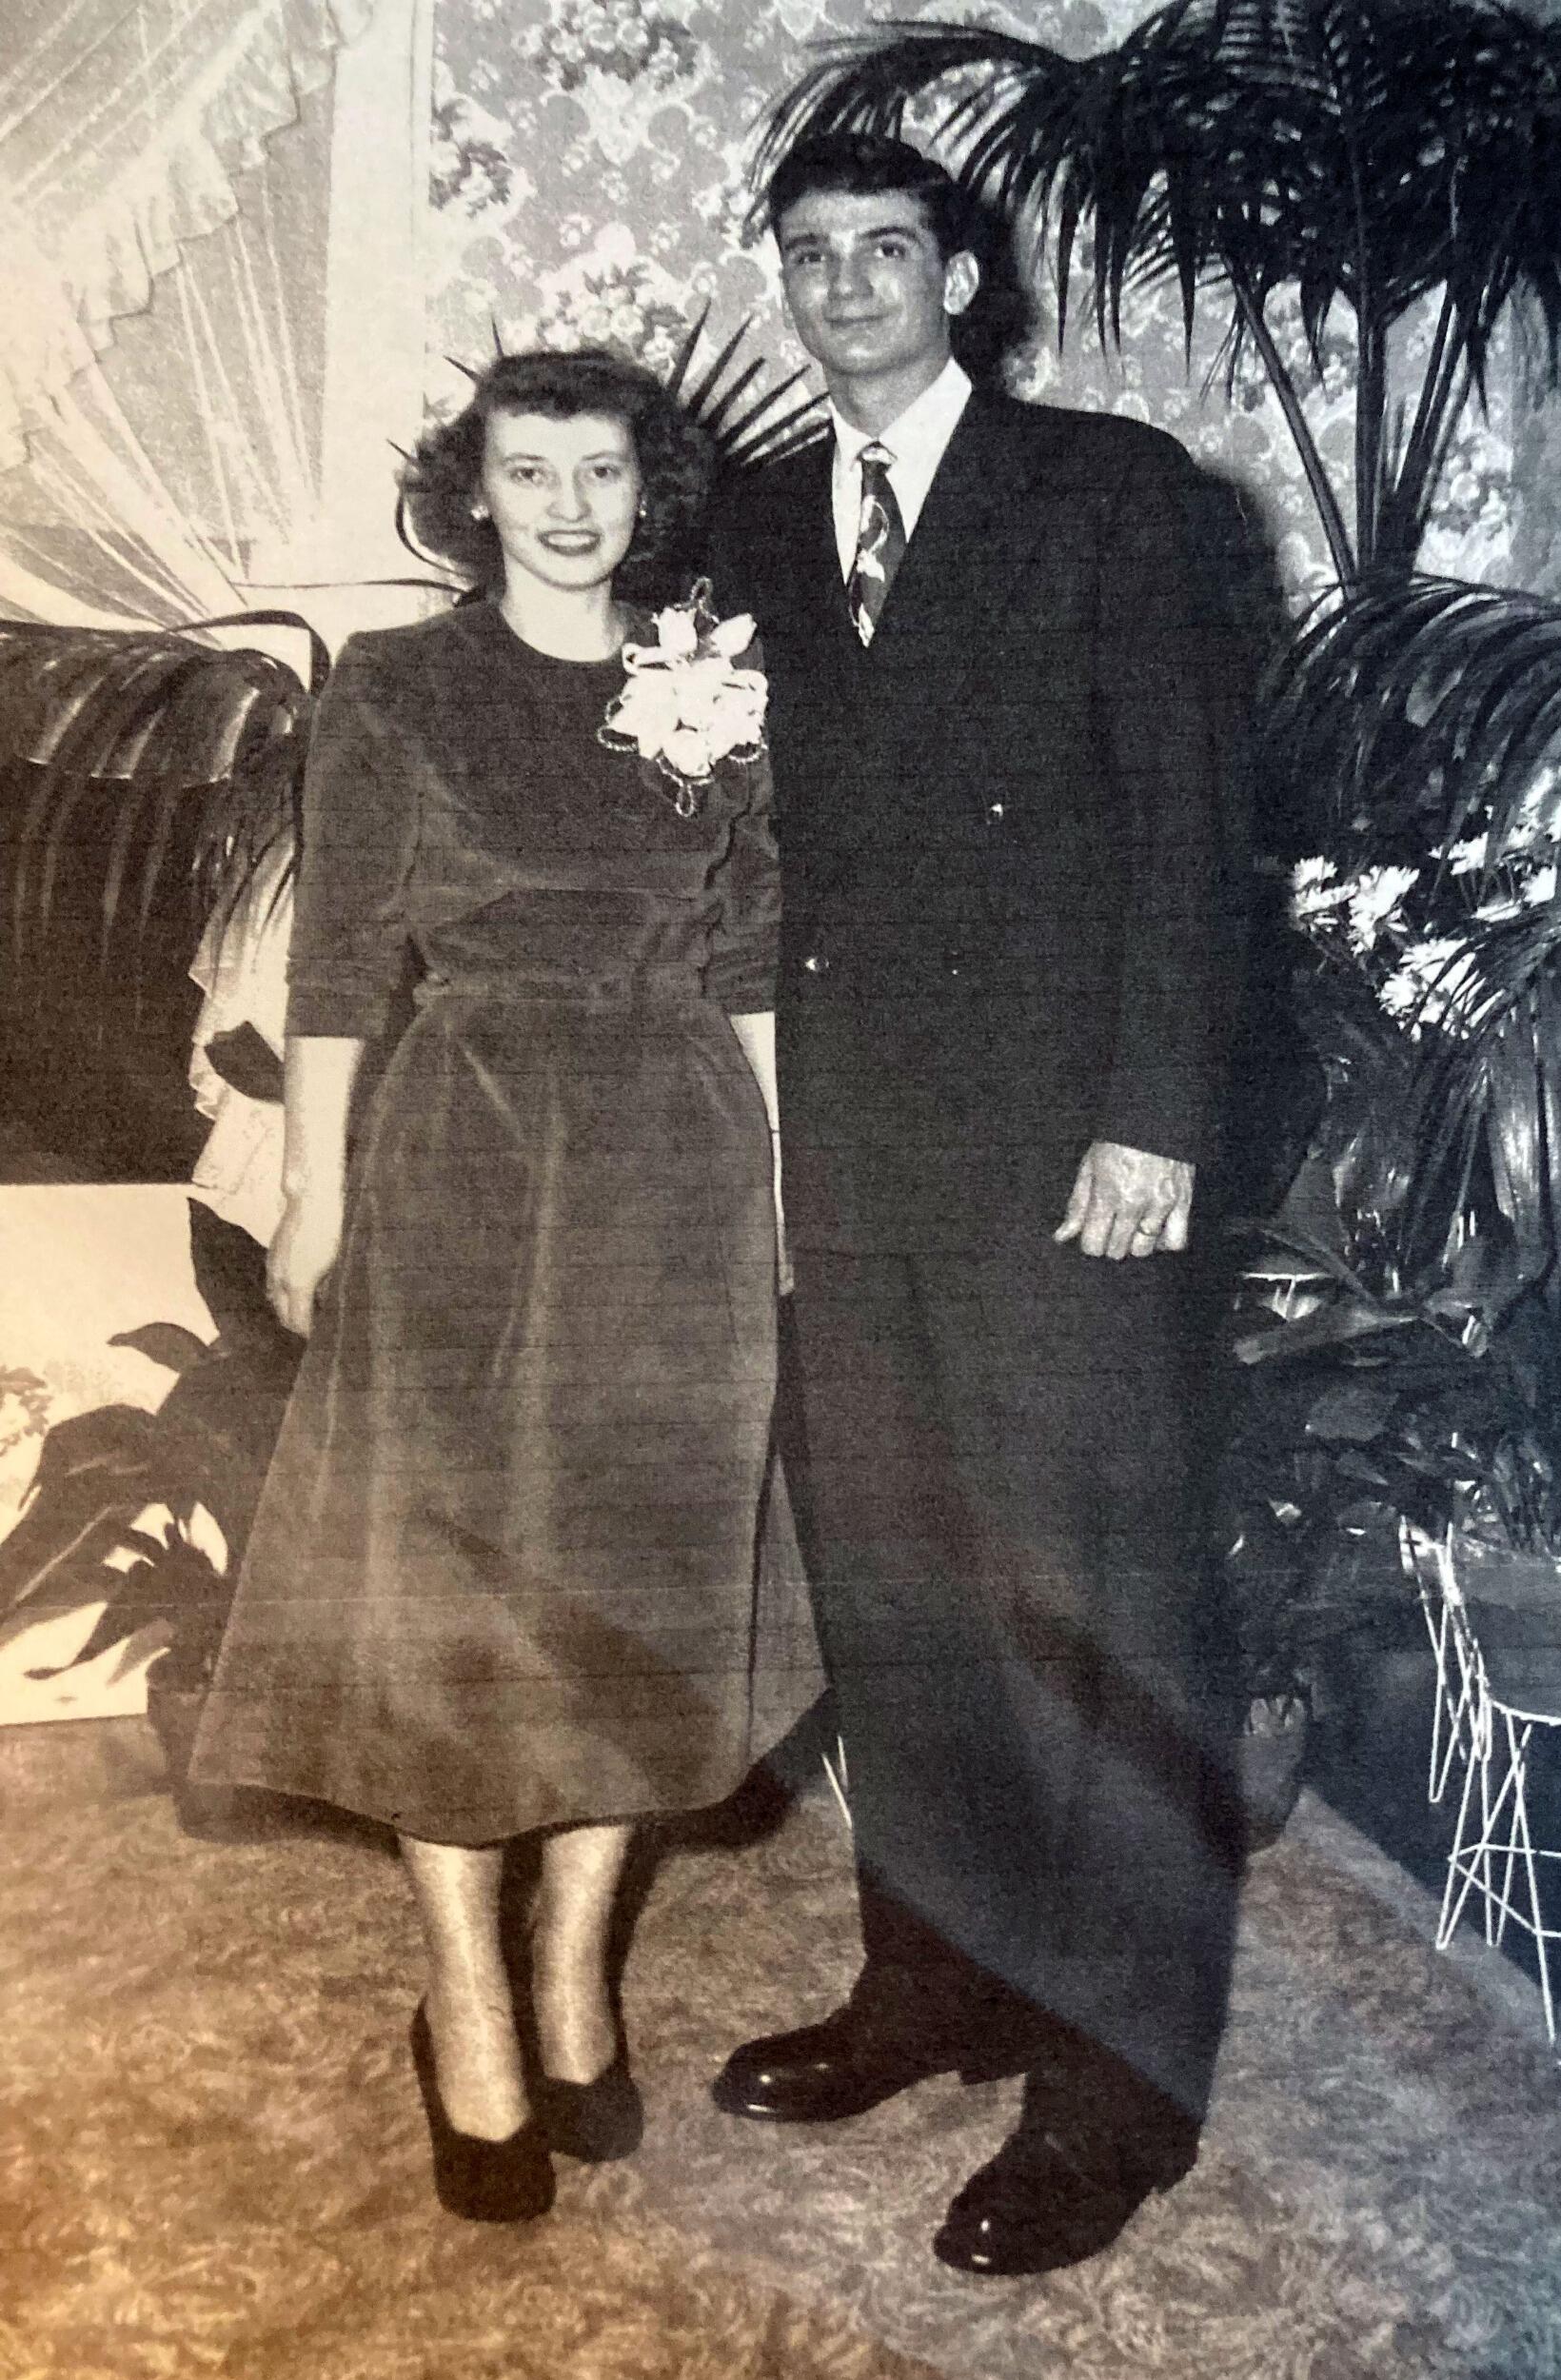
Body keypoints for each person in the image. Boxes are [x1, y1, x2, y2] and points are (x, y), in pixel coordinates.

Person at [188, 347, 816, 2223]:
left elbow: (756, 958)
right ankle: (466, 1982)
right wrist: (311, 1199)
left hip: (674, 1160)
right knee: (443, 1590)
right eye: (526, 468)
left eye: (598, 470)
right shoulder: (394, 685)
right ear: (474, 490)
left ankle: (573, 1963)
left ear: (647, 491)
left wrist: (773, 1194)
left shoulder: (714, 682)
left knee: (637, 1574)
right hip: (455, 1152)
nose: (563, 503)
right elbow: (338, 965)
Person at [704, 132, 1251, 2276]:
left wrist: (1153, 1118)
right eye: (810, 258)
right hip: (838, 1151)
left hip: (1059, 1159)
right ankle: (934, 1982)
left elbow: (1192, 831)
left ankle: (1110, 2095)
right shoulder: (758, 519)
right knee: (901, 1590)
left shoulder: (1112, 491)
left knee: (1087, 1607)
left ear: (963, 273)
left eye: (883, 253)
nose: (844, 289)